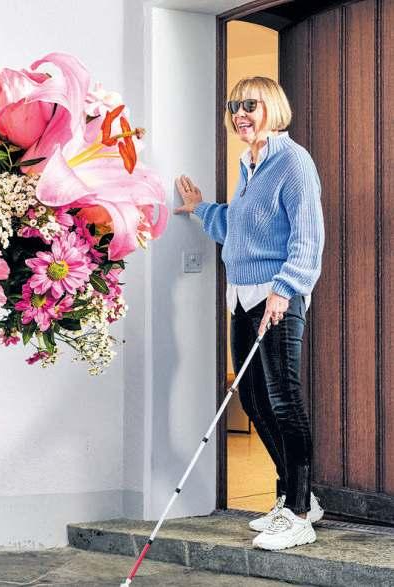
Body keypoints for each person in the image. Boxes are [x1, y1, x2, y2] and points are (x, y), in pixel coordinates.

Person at [174, 76, 325, 551]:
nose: (239, 113)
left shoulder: (292, 161)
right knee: (254, 400)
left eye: (249, 105)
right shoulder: (249, 163)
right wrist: (200, 209)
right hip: (240, 296)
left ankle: (299, 515)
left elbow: (308, 235)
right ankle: (296, 495)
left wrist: (286, 289)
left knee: (284, 399)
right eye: (233, 106)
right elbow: (239, 227)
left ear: (272, 108)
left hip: (276, 296)